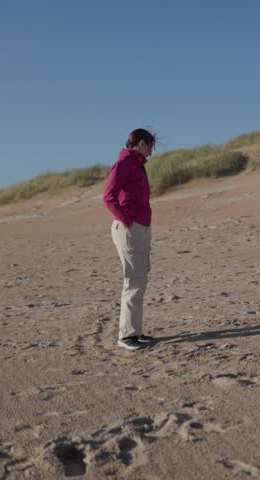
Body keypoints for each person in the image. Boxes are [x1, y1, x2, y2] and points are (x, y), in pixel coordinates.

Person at [103, 128, 156, 350]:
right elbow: (108, 196)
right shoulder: (124, 163)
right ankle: (126, 336)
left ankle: (134, 331)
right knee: (133, 281)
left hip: (141, 227)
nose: (151, 151)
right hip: (129, 228)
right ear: (141, 143)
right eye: (150, 146)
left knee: (140, 279)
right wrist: (126, 221)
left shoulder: (137, 165)